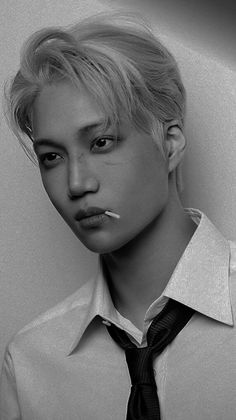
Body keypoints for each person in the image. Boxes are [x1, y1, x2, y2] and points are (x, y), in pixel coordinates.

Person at [1, 11, 236, 420]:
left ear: (171, 142)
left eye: (102, 142)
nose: (76, 183)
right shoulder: (29, 362)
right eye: (52, 157)